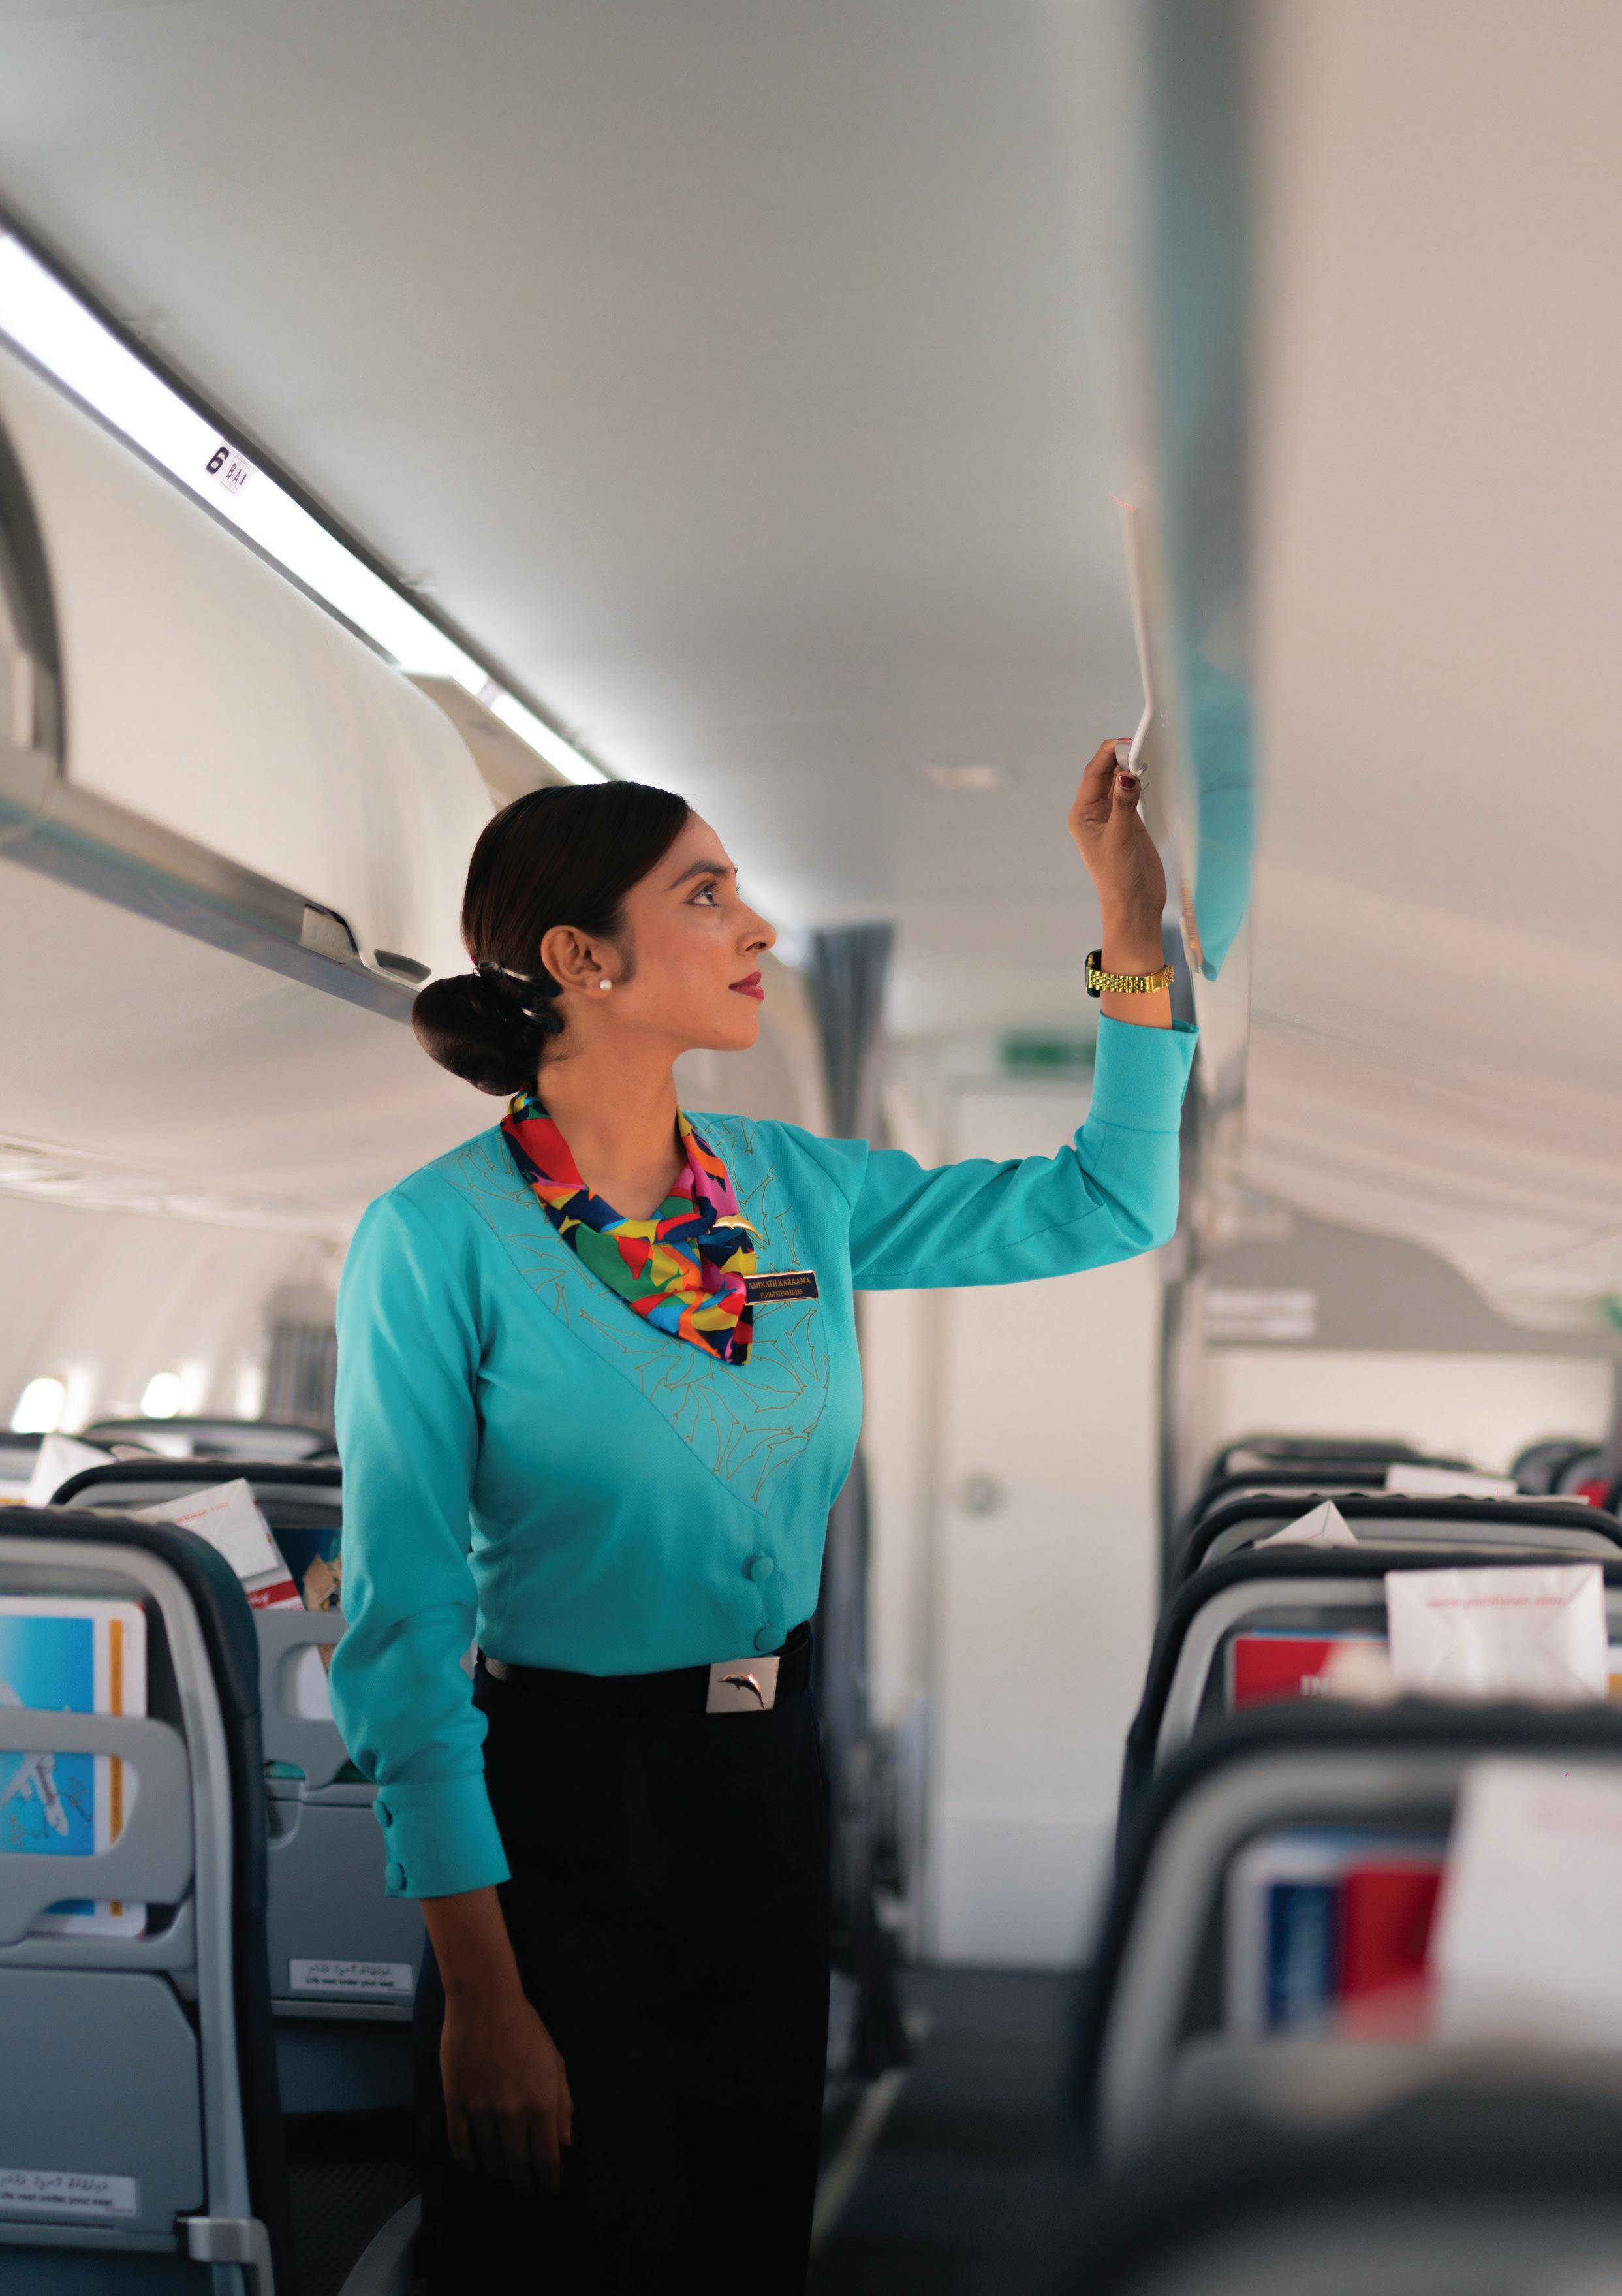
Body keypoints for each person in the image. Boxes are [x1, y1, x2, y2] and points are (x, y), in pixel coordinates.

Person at [329, 738, 1195, 2291]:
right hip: (557, 1825)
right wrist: (485, 1991)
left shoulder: (796, 1192)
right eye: (706, 895)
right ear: (580, 957)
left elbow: (1107, 1201)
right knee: (558, 2255)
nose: (758, 928)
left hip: (760, 1795)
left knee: (739, 2245)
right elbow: (401, 1629)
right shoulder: (431, 1236)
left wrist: (1129, 927)